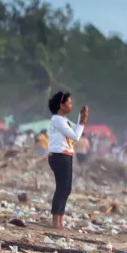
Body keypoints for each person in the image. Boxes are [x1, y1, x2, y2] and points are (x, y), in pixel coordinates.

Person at [47, 91, 88, 228]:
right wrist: (82, 121)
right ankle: (55, 221)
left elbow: (76, 129)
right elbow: (76, 136)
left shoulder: (63, 120)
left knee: (66, 189)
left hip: (66, 155)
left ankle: (60, 220)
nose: (71, 105)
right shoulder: (57, 120)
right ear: (61, 105)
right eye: (69, 103)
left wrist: (81, 119)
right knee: (61, 188)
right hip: (59, 156)